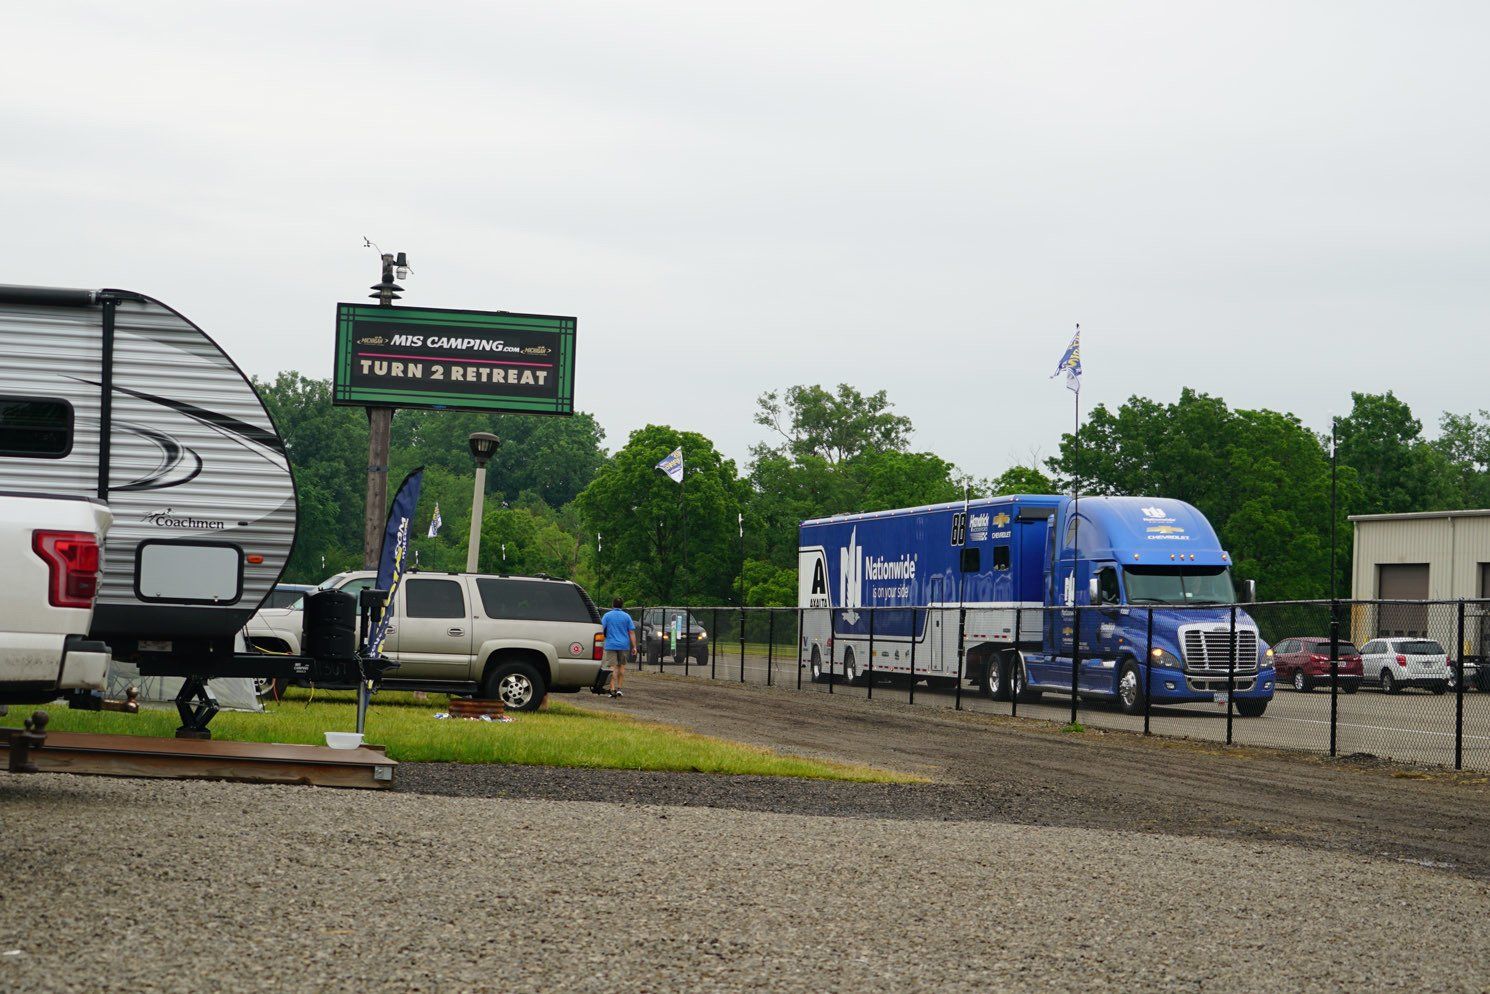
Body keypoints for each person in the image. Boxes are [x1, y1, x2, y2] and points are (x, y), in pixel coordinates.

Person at [600, 597, 636, 698]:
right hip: (624, 645)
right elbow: (632, 632)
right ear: (622, 605)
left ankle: (612, 689)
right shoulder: (627, 616)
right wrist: (634, 646)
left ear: (613, 604)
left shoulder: (607, 616)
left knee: (612, 668)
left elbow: (601, 628)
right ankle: (619, 689)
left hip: (611, 644)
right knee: (621, 667)